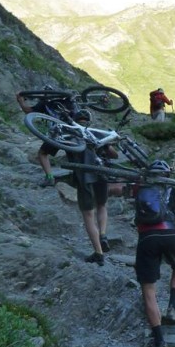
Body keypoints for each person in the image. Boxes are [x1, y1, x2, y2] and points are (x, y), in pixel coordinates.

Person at [131, 159, 175, 347]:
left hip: (148, 237)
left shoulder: (140, 189)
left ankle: (159, 343)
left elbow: (116, 189)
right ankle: (172, 307)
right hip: (173, 234)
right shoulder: (174, 192)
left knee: (148, 289)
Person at [69, 110, 118, 266]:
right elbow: (113, 155)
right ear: (88, 121)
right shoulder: (95, 134)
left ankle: (98, 252)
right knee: (102, 205)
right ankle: (103, 234)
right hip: (101, 174)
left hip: (84, 177)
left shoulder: (69, 135)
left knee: (88, 215)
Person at [16, 89, 81, 187]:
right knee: (74, 157)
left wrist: (20, 101)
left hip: (57, 133)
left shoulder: (44, 103)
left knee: (43, 153)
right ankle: (81, 179)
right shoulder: (69, 101)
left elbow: (28, 111)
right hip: (74, 132)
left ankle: (50, 178)